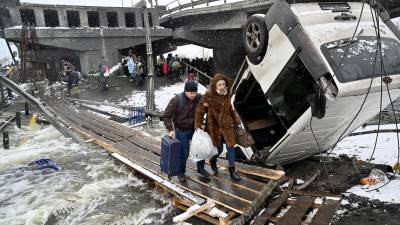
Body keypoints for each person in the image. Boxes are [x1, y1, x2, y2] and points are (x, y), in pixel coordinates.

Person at [195, 74, 241, 181]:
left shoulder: (226, 95)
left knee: (231, 147)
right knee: (218, 149)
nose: (221, 86)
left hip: (227, 127)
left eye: (223, 84)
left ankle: (232, 170)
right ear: (215, 86)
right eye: (219, 84)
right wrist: (198, 125)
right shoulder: (208, 96)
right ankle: (213, 160)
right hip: (214, 128)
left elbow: (230, 109)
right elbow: (199, 111)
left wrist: (235, 119)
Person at [162, 80, 201, 182]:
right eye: (190, 93)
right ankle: (181, 172)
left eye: (194, 92)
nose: (193, 95)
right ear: (185, 91)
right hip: (181, 131)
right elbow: (166, 116)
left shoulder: (198, 98)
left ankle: (201, 169)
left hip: (194, 130)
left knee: (201, 149)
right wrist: (170, 129)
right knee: (184, 153)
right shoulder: (177, 100)